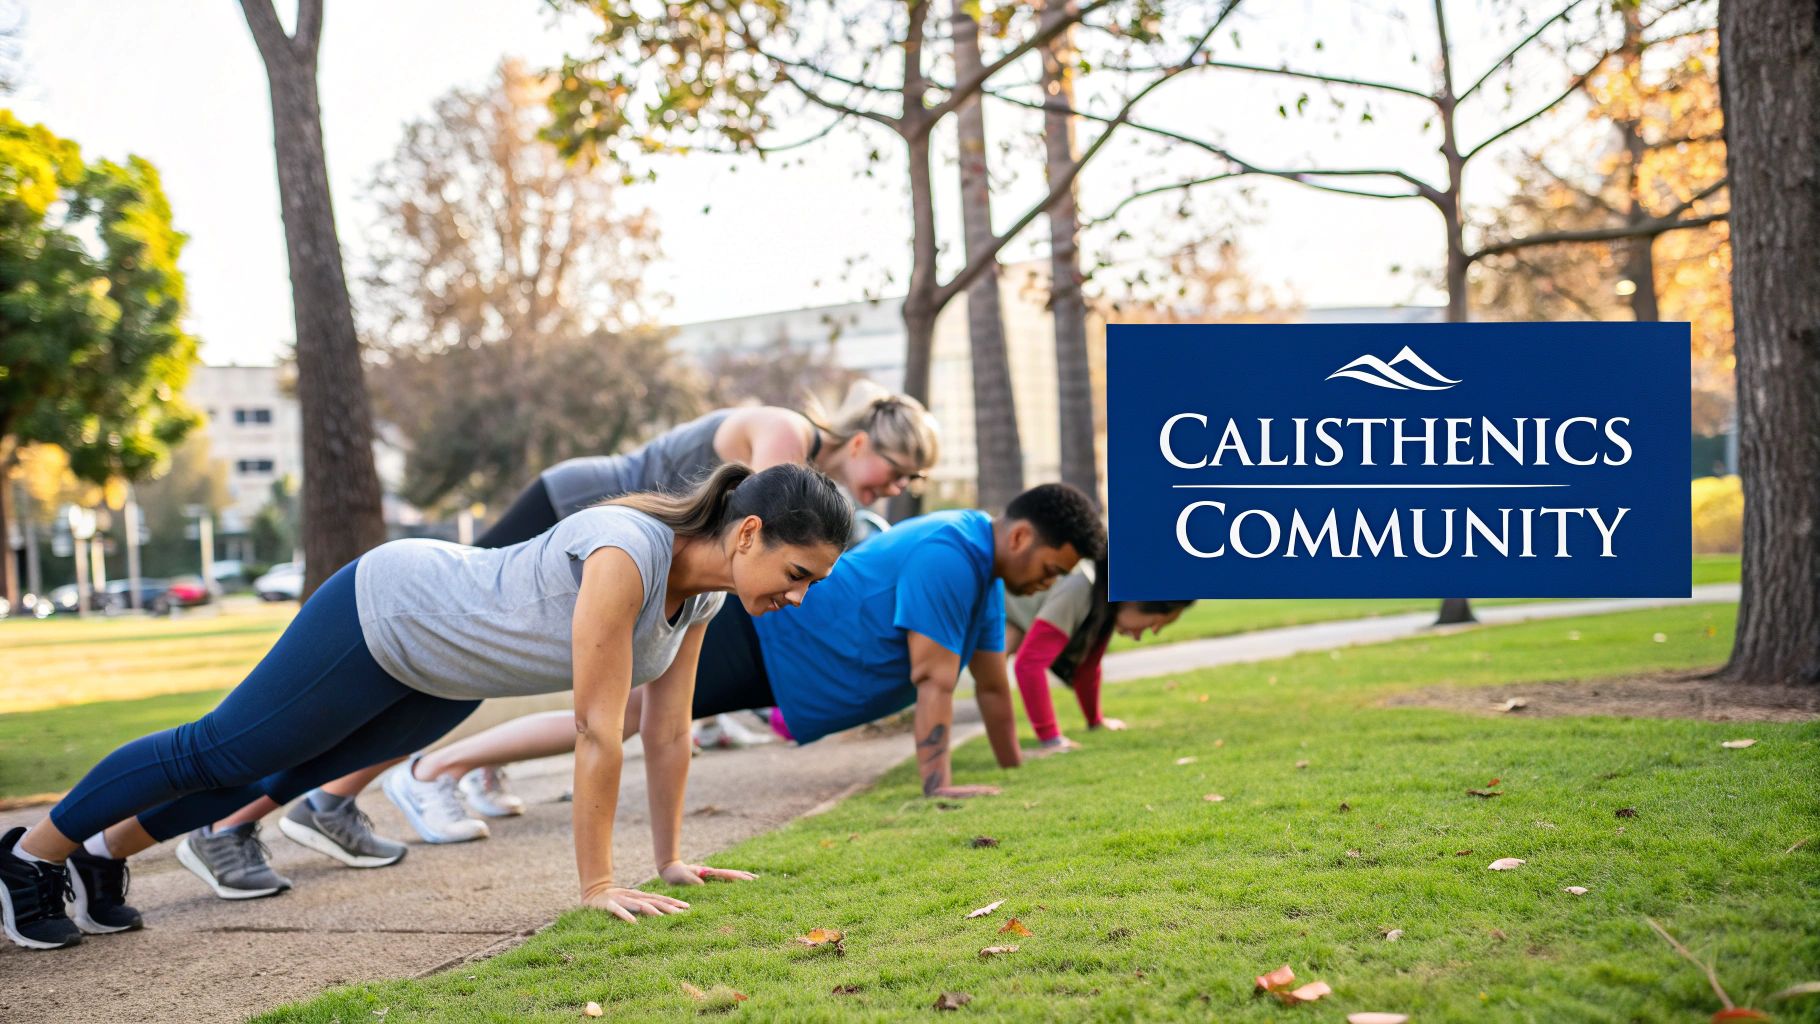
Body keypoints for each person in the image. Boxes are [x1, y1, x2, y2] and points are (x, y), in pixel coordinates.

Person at [0, 464, 850, 950]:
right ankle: (31, 855)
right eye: (798, 574)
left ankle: (103, 851)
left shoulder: (700, 599)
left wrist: (668, 860)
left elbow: (667, 731)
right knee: (220, 747)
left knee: (281, 772)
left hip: (441, 676)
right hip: (390, 612)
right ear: (748, 535)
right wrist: (597, 883)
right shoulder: (629, 552)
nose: (800, 597)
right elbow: (599, 728)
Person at [174, 383, 940, 898]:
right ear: (868, 435)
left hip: (622, 544)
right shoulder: (787, 442)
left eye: (908, 484)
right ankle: (260, 817)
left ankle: (326, 804)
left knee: (461, 672)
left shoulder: (798, 495)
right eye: (897, 468)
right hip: (578, 509)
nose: (894, 488)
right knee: (446, 655)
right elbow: (754, 546)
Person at [403, 483, 1107, 825]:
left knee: (628, 717)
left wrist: (1021, 764)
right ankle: (437, 767)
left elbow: (990, 685)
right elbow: (933, 677)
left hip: (786, 657)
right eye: (1054, 564)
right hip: (768, 636)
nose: (1049, 582)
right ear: (1022, 539)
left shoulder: (984, 573)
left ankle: (458, 768)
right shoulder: (953, 553)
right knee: (621, 716)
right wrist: (938, 785)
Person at [1004, 561, 1193, 750]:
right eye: (1152, 623)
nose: (1138, 636)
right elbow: (1029, 665)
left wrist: (1095, 721)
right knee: (990, 672)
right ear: (1135, 600)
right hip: (996, 604)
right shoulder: (1081, 588)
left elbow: (1087, 667)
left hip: (1012, 616)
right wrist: (1051, 739)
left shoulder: (1104, 608)